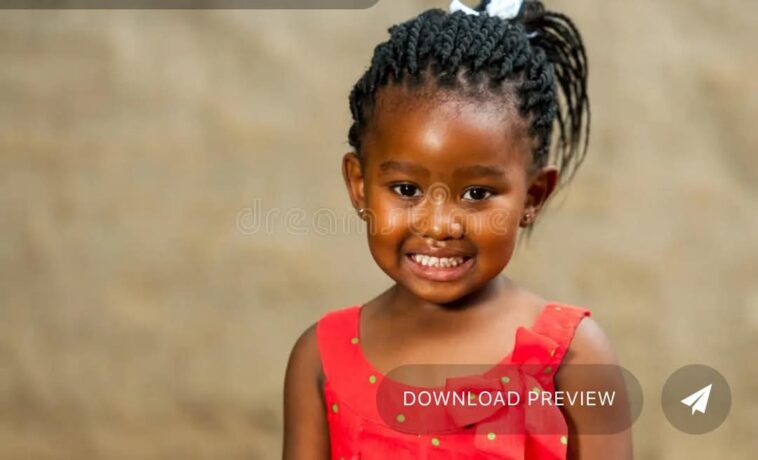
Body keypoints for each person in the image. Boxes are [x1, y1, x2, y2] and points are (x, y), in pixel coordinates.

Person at [284, 0, 632, 458]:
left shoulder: (574, 358)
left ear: (533, 197)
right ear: (360, 186)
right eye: (406, 188)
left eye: (476, 193)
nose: (440, 225)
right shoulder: (320, 358)